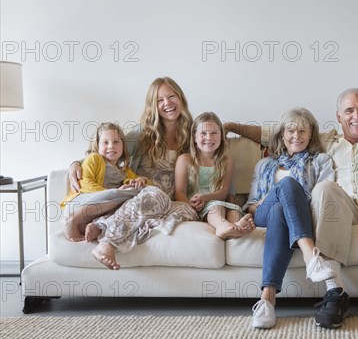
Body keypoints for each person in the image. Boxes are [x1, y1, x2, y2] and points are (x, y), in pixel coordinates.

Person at [225, 89, 358, 329]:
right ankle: (327, 281)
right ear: (339, 117)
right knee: (296, 192)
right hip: (309, 209)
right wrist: (230, 125)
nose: (356, 115)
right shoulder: (281, 158)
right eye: (349, 110)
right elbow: (272, 134)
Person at [68, 77, 198, 270]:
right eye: (160, 100)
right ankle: (108, 243)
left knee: (189, 211)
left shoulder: (193, 134)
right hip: (143, 196)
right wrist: (75, 164)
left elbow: (215, 156)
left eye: (172, 96)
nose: (167, 103)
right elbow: (108, 152)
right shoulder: (142, 135)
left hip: (171, 202)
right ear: (152, 106)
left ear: (181, 99)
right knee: (155, 194)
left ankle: (104, 225)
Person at [244, 107, 336, 329]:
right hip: (262, 213)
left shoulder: (320, 160)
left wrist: (286, 204)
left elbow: (322, 199)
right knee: (285, 186)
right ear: (282, 135)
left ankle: (267, 299)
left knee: (279, 211)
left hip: (299, 216)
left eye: (302, 131)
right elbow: (252, 203)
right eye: (291, 131)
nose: (297, 136)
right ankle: (310, 256)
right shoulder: (264, 164)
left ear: (311, 134)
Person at [61, 122, 147, 242]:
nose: (111, 146)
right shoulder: (95, 159)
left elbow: (144, 185)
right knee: (124, 195)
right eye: (105, 142)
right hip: (80, 204)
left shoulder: (124, 170)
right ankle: (71, 220)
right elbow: (84, 184)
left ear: (123, 145)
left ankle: (93, 228)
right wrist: (114, 193)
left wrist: (141, 180)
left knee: (129, 203)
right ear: (97, 145)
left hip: (96, 212)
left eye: (116, 142)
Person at [174, 112, 254, 240]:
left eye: (214, 133)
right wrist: (191, 205)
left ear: (221, 136)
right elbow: (179, 192)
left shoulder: (227, 160)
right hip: (197, 206)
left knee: (233, 211)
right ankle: (223, 226)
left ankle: (235, 229)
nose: (209, 138)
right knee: (215, 207)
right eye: (203, 133)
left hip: (219, 203)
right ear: (194, 137)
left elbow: (224, 192)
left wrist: (206, 197)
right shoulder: (185, 160)